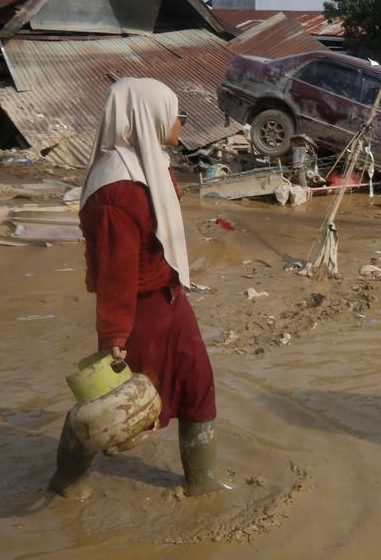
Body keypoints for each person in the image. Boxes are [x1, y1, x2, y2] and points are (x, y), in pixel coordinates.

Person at [49, 78, 229, 499]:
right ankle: (65, 483)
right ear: (147, 117)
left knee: (197, 383)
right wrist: (114, 335)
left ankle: (202, 482)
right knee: (116, 408)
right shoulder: (117, 187)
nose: (180, 121)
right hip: (139, 310)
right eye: (174, 113)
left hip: (170, 298)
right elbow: (116, 271)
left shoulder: (150, 164)